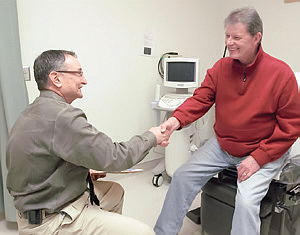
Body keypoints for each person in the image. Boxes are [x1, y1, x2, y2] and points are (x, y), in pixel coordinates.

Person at [154, 7, 300, 235]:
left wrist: (257, 159)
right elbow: (201, 98)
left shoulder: (281, 74)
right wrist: (175, 121)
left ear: (256, 37)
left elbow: (291, 127)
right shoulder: (221, 68)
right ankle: (163, 232)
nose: (229, 42)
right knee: (182, 177)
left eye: (237, 37)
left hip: (263, 150)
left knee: (246, 201)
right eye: (227, 36)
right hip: (223, 146)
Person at [6, 49, 168, 235]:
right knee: (144, 232)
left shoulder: (32, 111)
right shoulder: (62, 116)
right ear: (56, 78)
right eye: (78, 74)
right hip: (50, 221)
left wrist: (83, 171)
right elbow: (115, 157)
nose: (84, 80)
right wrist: (152, 137)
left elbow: (38, 164)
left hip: (35, 208)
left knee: (114, 192)